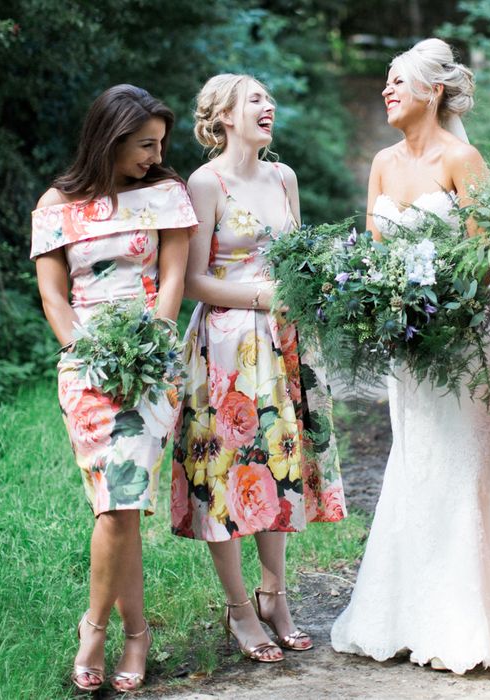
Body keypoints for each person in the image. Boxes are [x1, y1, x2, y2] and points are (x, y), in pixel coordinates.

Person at [330, 38, 490, 674]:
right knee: (414, 458)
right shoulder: (383, 164)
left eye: (398, 82)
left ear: (432, 92)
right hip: (406, 347)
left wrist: (438, 301)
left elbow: (487, 259)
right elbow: (373, 253)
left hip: (461, 341)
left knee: (459, 456)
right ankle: (408, 612)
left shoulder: (464, 159)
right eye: (385, 82)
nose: (387, 91)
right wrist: (378, 301)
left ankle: (472, 620)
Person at [171, 73, 346, 663]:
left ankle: (276, 595)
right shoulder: (206, 182)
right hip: (226, 345)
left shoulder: (283, 177)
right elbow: (194, 280)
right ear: (223, 116)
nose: (268, 107)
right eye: (255, 99)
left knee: (278, 464)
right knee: (227, 469)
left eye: (269, 99)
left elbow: (297, 255)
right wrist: (265, 297)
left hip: (285, 340)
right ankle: (240, 608)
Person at [31, 85, 197, 693]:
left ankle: (98, 627)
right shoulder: (57, 204)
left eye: (160, 144)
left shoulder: (167, 196)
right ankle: (133, 633)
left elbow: (173, 279)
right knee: (117, 506)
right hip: (85, 366)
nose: (155, 155)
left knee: (121, 503)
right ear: (111, 138)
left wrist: (150, 347)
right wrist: (86, 350)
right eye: (144, 145)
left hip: (151, 363)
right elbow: (53, 295)